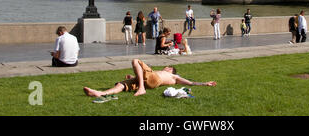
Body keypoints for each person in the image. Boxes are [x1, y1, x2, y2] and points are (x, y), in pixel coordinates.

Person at [83, 59, 217, 98]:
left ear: (170, 69)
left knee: (136, 61)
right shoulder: (166, 74)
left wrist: (205, 84)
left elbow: (190, 82)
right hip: (150, 81)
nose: (166, 67)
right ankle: (100, 93)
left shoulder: (174, 76)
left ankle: (141, 88)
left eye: (168, 67)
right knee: (122, 85)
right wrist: (134, 77)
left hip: (154, 79)